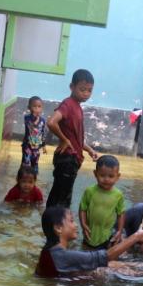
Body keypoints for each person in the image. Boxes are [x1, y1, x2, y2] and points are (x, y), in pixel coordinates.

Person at [35, 206, 143, 278]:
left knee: (112, 265)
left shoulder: (49, 252)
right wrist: (136, 237)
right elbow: (107, 256)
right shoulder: (62, 256)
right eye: (71, 221)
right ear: (58, 228)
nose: (76, 225)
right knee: (109, 268)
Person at [46, 69, 99, 208]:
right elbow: (51, 122)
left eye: (89, 90)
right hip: (67, 159)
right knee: (61, 200)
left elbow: (75, 138)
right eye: (82, 89)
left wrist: (89, 149)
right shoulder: (68, 104)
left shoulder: (77, 107)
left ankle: (54, 224)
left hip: (72, 159)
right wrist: (63, 139)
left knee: (60, 196)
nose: (86, 93)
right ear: (72, 87)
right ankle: (55, 226)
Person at [79, 155, 125, 250]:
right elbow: (82, 209)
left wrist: (119, 231)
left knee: (104, 258)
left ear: (118, 176)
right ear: (95, 174)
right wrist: (83, 224)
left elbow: (121, 213)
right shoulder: (90, 191)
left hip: (107, 236)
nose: (106, 179)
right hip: (89, 232)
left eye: (111, 176)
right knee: (85, 253)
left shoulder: (118, 195)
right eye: (102, 175)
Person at [22, 96, 47, 174]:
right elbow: (33, 125)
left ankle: (33, 180)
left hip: (36, 147)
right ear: (29, 107)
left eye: (39, 107)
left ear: (42, 108)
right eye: (34, 106)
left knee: (35, 164)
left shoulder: (43, 120)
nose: (37, 109)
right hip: (27, 146)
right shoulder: (27, 118)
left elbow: (42, 133)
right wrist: (36, 118)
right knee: (26, 164)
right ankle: (23, 179)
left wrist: (43, 146)